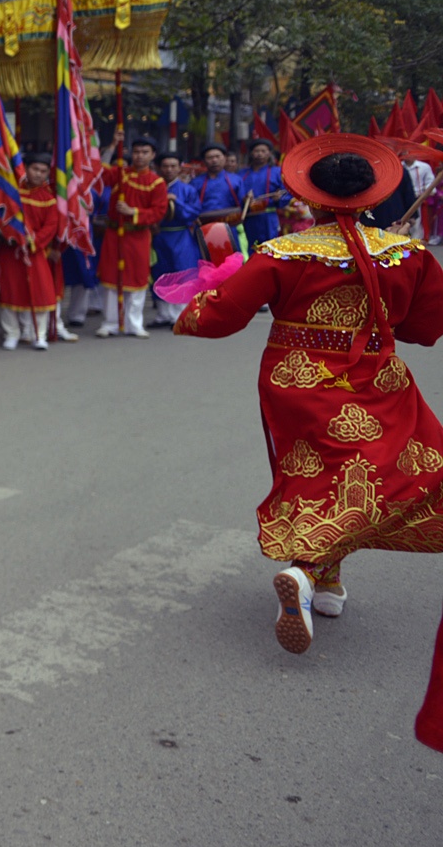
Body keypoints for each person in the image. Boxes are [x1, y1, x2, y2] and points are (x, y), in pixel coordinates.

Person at [173, 134, 443, 655]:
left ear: (312, 197)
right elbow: (425, 326)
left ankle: (321, 578)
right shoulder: (404, 254)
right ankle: (311, 571)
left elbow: (222, 315)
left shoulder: (282, 252)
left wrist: (192, 311)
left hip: (295, 378)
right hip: (372, 377)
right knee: (389, 471)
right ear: (371, 195)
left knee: (316, 472)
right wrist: (393, 261)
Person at [96, 139, 169, 338]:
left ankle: (133, 323)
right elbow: (100, 173)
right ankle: (110, 322)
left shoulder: (156, 182)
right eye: (136, 152)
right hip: (115, 234)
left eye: (145, 152)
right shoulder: (121, 173)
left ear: (152, 155)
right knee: (111, 277)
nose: (139, 156)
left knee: (137, 279)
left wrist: (133, 211)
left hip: (138, 236)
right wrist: (112, 146)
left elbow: (158, 211)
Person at [0, 160, 63, 352]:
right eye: (35, 169)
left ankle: (38, 335)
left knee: (40, 292)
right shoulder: (11, 192)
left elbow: (51, 226)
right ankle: (12, 333)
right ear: (25, 169)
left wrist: (33, 242)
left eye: (43, 171)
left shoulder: (48, 198)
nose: (39, 174)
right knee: (9, 292)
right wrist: (13, 236)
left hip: (35, 252)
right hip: (11, 251)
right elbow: (1, 217)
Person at [152, 153, 203, 326]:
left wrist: (177, 202)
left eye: (173, 166)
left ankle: (180, 315)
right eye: (165, 166)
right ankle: (163, 314)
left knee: (182, 273)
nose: (169, 170)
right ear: (159, 168)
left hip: (180, 235)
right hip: (158, 235)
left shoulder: (187, 190)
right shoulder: (154, 186)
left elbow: (193, 213)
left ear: (179, 167)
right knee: (159, 273)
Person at [241, 139, 289, 247]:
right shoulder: (242, 173)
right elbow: (237, 194)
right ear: (251, 153)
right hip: (249, 217)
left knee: (270, 247)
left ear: (269, 153)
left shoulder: (277, 171)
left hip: (268, 216)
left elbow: (286, 191)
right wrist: (244, 198)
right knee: (250, 247)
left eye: (263, 151)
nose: (259, 154)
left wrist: (279, 198)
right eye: (256, 151)